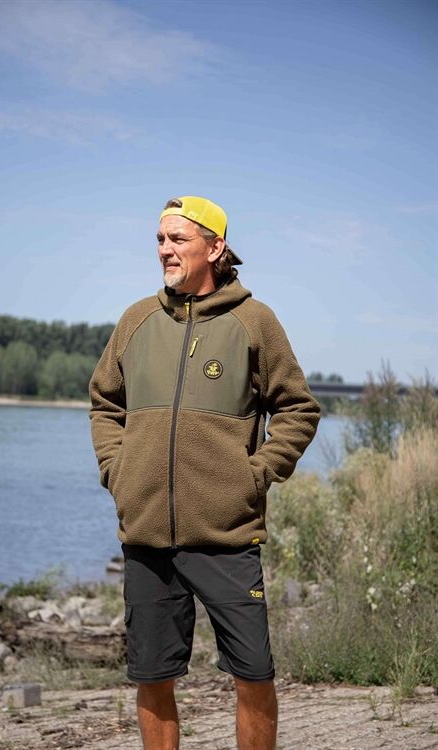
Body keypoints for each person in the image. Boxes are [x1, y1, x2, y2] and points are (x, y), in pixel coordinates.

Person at [89, 195, 322, 750]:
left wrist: (255, 475)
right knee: (152, 676)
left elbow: (298, 409)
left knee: (254, 674)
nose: (164, 250)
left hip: (226, 535)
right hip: (146, 534)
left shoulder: (254, 322)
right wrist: (117, 471)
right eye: (160, 239)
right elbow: (104, 403)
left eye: (178, 239)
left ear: (215, 248)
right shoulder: (136, 320)